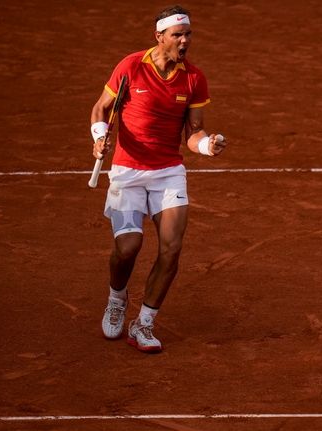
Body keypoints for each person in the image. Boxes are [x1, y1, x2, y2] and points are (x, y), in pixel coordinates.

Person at [89, 5, 227, 353]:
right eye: (178, 35)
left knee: (172, 249)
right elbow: (101, 108)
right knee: (128, 248)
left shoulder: (193, 78)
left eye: (188, 34)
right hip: (127, 173)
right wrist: (99, 136)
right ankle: (117, 298)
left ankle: (144, 323)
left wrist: (208, 146)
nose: (185, 41)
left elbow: (193, 134)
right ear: (160, 37)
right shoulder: (131, 66)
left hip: (167, 174)